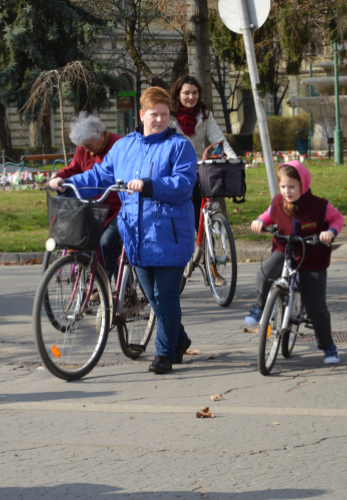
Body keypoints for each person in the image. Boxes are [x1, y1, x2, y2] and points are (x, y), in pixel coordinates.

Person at [49, 87, 197, 375]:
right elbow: (101, 175)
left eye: (165, 115)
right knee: (153, 298)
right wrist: (68, 184)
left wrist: (151, 185)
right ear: (141, 115)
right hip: (136, 235)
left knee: (165, 296)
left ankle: (164, 354)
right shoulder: (125, 146)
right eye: (154, 114)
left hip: (169, 235)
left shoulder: (180, 147)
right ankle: (179, 338)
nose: (160, 120)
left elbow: (184, 184)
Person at [244, 161, 344, 364]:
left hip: (311, 256)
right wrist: (260, 221)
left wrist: (330, 232)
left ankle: (328, 347)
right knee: (264, 274)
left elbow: (337, 219)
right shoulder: (278, 203)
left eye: (292, 187)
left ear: (303, 185)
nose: (287, 192)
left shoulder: (319, 206)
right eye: (283, 187)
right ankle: (260, 307)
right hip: (285, 248)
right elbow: (268, 215)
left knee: (316, 307)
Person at [49, 112, 123, 278]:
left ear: (101, 135)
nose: (87, 150)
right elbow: (73, 168)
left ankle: (108, 283)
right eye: (83, 146)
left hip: (117, 208)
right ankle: (96, 281)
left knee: (107, 242)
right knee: (84, 239)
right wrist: (59, 177)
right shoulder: (84, 147)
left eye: (89, 146)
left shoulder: (118, 145)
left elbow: (103, 177)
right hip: (95, 207)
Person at [169, 75, 237, 230]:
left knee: (204, 206)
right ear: (178, 94)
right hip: (175, 169)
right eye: (186, 93)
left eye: (195, 92)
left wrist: (232, 158)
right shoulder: (169, 116)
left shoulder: (204, 114)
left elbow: (218, 139)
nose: (191, 97)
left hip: (198, 167)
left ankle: (208, 243)